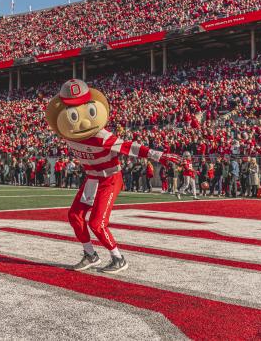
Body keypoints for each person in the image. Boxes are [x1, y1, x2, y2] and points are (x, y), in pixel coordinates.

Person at [45, 79, 181, 274]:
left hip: (109, 178)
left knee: (97, 223)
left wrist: (158, 155)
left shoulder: (101, 136)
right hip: (92, 178)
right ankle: (90, 254)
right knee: (75, 216)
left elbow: (130, 147)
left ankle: (118, 258)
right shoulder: (67, 132)